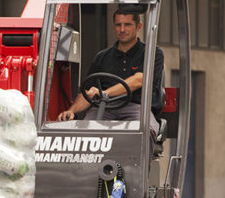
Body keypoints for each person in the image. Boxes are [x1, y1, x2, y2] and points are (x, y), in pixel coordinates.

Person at [57, 8, 164, 140]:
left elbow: (139, 80)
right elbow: (88, 92)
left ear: (139, 26)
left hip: (137, 108)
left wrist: (103, 93)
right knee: (82, 133)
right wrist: (71, 111)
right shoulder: (102, 57)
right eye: (118, 25)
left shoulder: (152, 53)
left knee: (143, 133)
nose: (122, 29)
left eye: (128, 25)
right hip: (104, 108)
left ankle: (139, 160)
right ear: (114, 27)